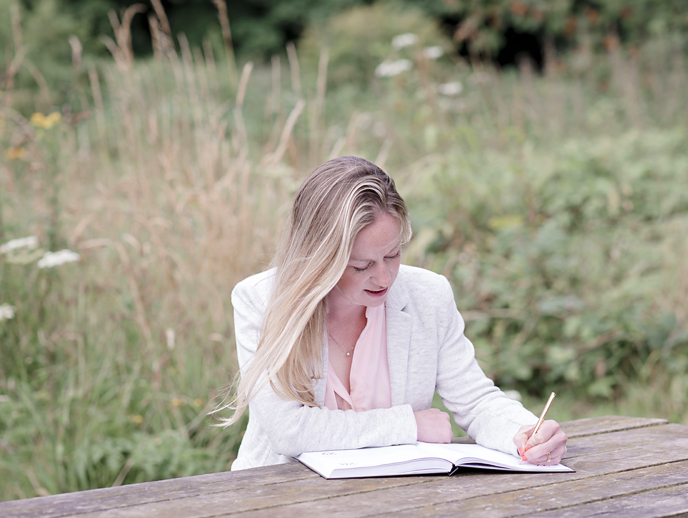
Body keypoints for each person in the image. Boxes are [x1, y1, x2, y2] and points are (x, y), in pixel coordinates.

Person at [221, 156, 567, 470]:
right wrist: (409, 424)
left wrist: (524, 432)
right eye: (361, 266)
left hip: (397, 499)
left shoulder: (429, 296)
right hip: (278, 497)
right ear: (319, 259)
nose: (385, 278)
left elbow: (475, 401)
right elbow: (288, 429)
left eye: (393, 255)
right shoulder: (261, 301)